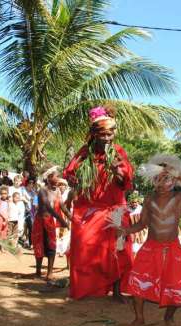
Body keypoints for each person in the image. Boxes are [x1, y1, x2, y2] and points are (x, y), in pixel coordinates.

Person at [112, 154, 181, 325]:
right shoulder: (149, 199)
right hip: (150, 247)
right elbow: (142, 224)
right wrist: (125, 231)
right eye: (157, 179)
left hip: (172, 248)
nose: (161, 183)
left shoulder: (179, 197)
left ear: (174, 181)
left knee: (174, 285)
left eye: (166, 179)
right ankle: (139, 317)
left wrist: (180, 175)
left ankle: (169, 316)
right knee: (138, 280)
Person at [63, 105, 134, 301]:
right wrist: (77, 179)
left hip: (116, 209)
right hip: (90, 209)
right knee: (85, 245)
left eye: (110, 133)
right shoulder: (85, 152)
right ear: (94, 134)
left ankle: (117, 291)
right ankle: (84, 288)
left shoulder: (118, 152)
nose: (107, 138)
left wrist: (116, 171)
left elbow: (125, 183)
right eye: (103, 134)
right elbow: (70, 175)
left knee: (119, 248)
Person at [32, 167, 69, 281]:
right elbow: (47, 206)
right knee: (39, 244)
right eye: (56, 176)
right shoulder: (42, 190)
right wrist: (61, 219)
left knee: (52, 245)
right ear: (49, 178)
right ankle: (38, 271)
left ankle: (49, 273)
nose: (58, 178)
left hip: (50, 221)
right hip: (40, 220)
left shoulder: (57, 191)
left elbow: (62, 206)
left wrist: (71, 217)